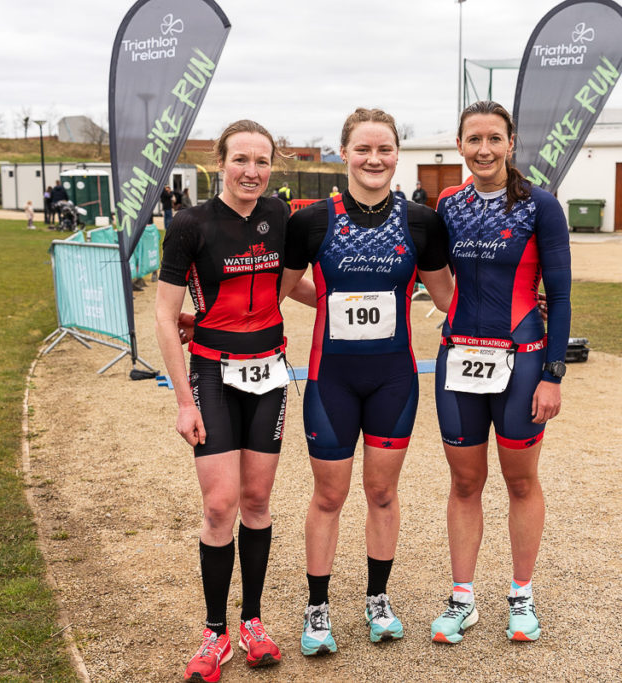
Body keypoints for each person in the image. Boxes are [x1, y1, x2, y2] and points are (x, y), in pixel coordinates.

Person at [280, 107, 454, 655]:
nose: (374, 159)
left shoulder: (422, 222)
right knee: (329, 495)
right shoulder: (310, 221)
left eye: (384, 149)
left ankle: (378, 599)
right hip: (331, 379)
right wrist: (333, 301)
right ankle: (318, 607)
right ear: (344, 154)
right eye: (363, 149)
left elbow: (449, 299)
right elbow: (284, 288)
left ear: (397, 154)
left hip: (392, 381)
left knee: (381, 492)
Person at [155, 119, 314, 682]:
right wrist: (183, 401)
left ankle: (253, 622)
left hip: (269, 373)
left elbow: (290, 284)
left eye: (262, 160)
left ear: (274, 165)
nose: (252, 171)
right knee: (219, 506)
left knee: (256, 500)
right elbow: (162, 312)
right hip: (213, 374)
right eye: (241, 159)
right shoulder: (190, 223)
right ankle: (215, 631)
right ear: (219, 162)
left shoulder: (280, 217)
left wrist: (341, 306)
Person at [430, 101, 570, 645]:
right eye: (473, 140)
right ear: (460, 144)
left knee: (519, 480)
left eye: (494, 139)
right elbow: (427, 269)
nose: (483, 149)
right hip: (459, 357)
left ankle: (521, 596)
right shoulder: (447, 203)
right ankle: (462, 598)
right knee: (465, 481)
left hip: (523, 360)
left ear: (511, 143)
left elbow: (559, 296)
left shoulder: (541, 206)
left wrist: (553, 374)